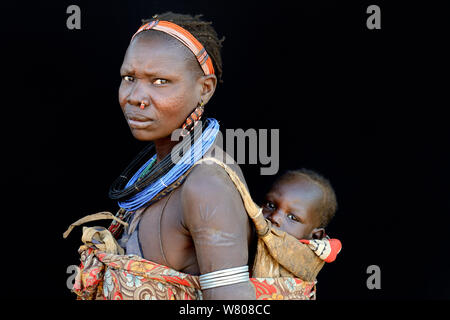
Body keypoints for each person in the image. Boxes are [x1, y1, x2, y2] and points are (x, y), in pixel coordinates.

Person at [107, 12, 254, 300]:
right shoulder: (157, 169)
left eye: (160, 81)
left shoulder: (206, 186)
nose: (136, 96)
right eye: (129, 77)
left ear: (205, 89)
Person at [250, 168, 342, 281]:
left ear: (315, 236)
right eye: (270, 205)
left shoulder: (307, 261)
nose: (274, 218)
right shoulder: (247, 233)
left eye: (292, 217)